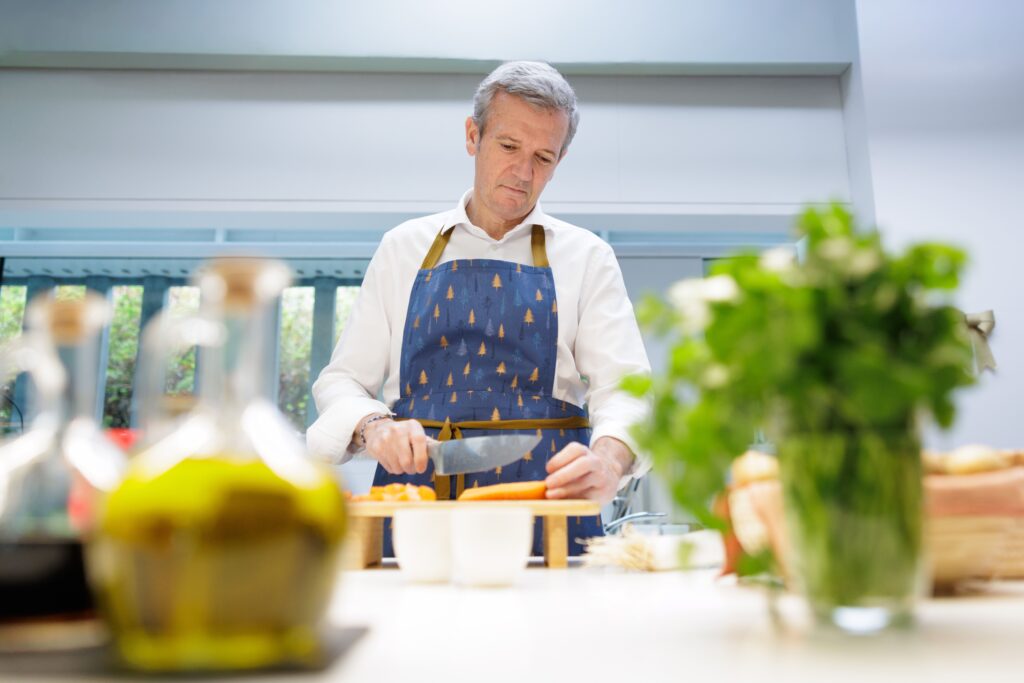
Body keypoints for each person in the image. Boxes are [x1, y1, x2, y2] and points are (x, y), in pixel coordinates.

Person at [308, 61, 650, 556]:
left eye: (543, 157)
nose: (523, 173)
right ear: (473, 135)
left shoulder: (588, 256)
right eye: (509, 147)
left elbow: (628, 391)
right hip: (415, 509)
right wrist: (373, 426)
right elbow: (341, 381)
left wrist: (610, 461)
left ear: (560, 159)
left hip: (548, 512)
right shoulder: (403, 247)